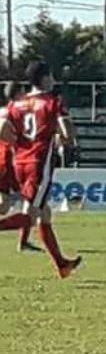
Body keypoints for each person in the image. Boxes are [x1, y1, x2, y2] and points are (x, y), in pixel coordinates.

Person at [0, 61, 81, 278]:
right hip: (39, 163)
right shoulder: (53, 102)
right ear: (44, 78)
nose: (53, 81)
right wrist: (62, 138)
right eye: (51, 76)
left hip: (19, 162)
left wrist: (19, 143)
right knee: (33, 216)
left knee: (44, 213)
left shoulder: (17, 103)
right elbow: (67, 133)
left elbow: (2, 129)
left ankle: (62, 264)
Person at [0, 81, 40, 253]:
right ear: (18, 94)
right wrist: (14, 144)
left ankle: (24, 242)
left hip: (9, 162)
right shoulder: (9, 111)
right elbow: (2, 128)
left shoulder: (14, 112)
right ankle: (23, 242)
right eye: (23, 92)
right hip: (8, 163)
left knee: (5, 205)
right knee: (32, 204)